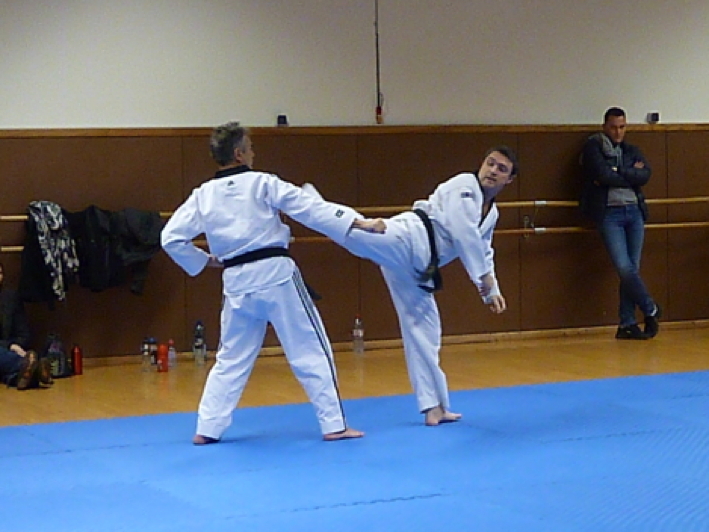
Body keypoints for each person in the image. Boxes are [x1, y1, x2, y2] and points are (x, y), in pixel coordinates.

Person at [161, 121, 383, 445]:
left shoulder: (202, 196)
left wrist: (204, 260)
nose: (253, 153)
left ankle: (207, 428)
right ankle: (333, 424)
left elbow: (170, 238)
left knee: (230, 359)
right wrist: (357, 222)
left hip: (236, 280)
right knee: (310, 349)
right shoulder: (263, 183)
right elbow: (310, 208)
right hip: (276, 275)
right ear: (239, 154)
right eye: (250, 148)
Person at [304, 146, 516, 426]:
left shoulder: (492, 213)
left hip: (419, 270)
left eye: (502, 169)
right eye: (490, 163)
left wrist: (493, 289)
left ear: (509, 180)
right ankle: (313, 204)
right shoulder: (465, 185)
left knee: (426, 332)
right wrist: (482, 278)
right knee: (357, 237)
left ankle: (434, 407)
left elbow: (484, 248)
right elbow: (464, 232)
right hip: (408, 237)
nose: (493, 171)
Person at [580, 107, 661, 340]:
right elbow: (602, 174)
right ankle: (650, 307)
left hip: (634, 212)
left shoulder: (630, 149)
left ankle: (627, 323)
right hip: (609, 213)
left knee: (632, 268)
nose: (618, 132)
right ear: (605, 127)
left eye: (622, 127)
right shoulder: (593, 147)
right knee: (624, 267)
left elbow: (645, 175)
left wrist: (617, 171)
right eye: (613, 127)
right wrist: (628, 174)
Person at [0, 262, 52, 389]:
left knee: (11, 372)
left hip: (10, 352)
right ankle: (33, 368)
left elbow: (23, 334)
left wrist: (15, 346)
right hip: (6, 351)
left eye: (0, 273)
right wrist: (9, 345)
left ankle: (26, 372)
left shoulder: (10, 298)